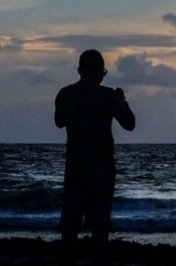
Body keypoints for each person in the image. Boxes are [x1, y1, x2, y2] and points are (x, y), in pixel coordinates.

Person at [54, 49, 135, 264]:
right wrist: (122, 100)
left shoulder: (65, 94)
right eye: (102, 71)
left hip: (75, 168)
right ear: (99, 71)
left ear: (80, 70)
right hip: (101, 170)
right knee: (99, 226)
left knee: (70, 224)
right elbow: (129, 124)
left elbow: (59, 121)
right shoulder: (108, 96)